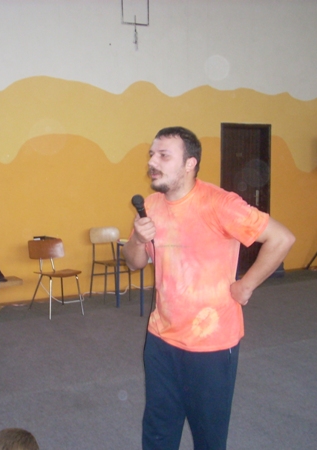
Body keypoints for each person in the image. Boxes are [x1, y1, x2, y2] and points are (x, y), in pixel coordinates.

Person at [122, 126, 296, 450]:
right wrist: (136, 239)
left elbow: (282, 238)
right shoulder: (152, 204)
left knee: (208, 437)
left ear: (190, 164)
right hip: (160, 339)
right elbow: (134, 262)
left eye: (164, 155)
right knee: (158, 432)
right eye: (152, 154)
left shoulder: (220, 204)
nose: (152, 162)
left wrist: (246, 286)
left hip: (211, 345)